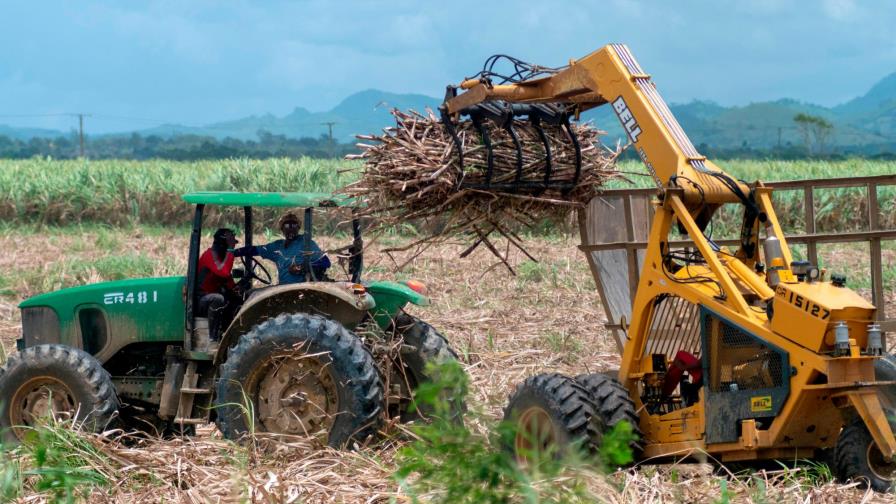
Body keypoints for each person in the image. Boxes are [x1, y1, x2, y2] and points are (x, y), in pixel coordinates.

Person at [233, 212, 330, 284]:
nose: (291, 228)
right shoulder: (277, 247)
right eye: (287, 225)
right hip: (283, 288)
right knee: (252, 293)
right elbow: (253, 250)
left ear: (298, 228)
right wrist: (232, 253)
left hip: (301, 288)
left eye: (294, 225)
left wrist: (303, 268)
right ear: (282, 229)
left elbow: (325, 262)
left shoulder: (306, 243)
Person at [197, 228, 241, 341]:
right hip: (200, 298)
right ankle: (213, 338)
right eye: (231, 244)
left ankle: (233, 335)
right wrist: (230, 250)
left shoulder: (221, 258)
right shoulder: (210, 255)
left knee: (237, 299)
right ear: (223, 244)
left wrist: (236, 289)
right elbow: (224, 272)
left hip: (210, 296)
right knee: (218, 299)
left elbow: (227, 279)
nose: (232, 247)